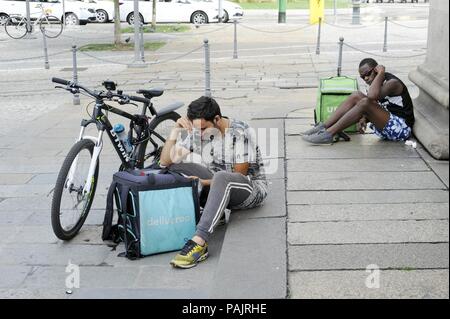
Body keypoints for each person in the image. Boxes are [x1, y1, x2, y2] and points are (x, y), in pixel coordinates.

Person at [159, 96, 268, 269]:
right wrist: (175, 130)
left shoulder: (240, 132)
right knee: (174, 166)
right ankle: (216, 212)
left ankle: (199, 241)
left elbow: (238, 176)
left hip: (249, 188)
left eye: (203, 128)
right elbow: (165, 161)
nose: (200, 134)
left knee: (221, 177)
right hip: (217, 182)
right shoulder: (199, 131)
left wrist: (203, 182)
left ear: (217, 119)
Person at [302, 58, 415, 144]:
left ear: (376, 70)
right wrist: (365, 118)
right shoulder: (374, 83)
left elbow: (371, 97)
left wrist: (381, 73)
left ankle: (329, 134)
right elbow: (379, 105)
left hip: (401, 129)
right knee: (356, 95)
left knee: (365, 102)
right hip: (388, 126)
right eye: (362, 77)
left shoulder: (392, 83)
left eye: (368, 74)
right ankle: (323, 126)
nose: (366, 78)